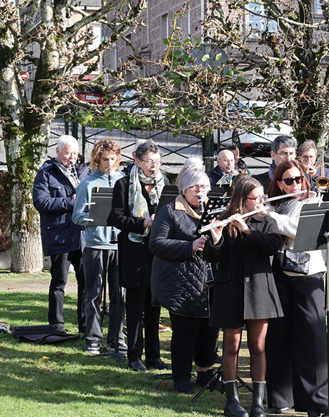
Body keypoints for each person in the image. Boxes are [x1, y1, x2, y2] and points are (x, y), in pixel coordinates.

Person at [264, 160, 329, 417]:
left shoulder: (311, 202)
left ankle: (317, 402)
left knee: (313, 339)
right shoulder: (272, 204)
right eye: (289, 180)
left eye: (299, 179)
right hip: (279, 273)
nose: (295, 184)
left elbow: (299, 230)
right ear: (278, 183)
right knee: (278, 337)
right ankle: (279, 398)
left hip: (308, 275)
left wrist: (271, 217)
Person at [204, 176, 284, 417]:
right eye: (256, 198)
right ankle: (232, 402)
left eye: (263, 197)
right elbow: (211, 257)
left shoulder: (266, 221)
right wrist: (216, 239)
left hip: (259, 290)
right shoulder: (225, 221)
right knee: (232, 347)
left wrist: (247, 230)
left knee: (258, 347)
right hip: (230, 291)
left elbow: (272, 246)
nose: (261, 201)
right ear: (242, 200)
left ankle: (258, 403)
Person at [149, 168, 219, 394]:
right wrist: (188, 247)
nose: (201, 191)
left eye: (204, 186)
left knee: (210, 331)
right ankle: (181, 377)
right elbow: (156, 243)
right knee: (185, 332)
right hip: (180, 282)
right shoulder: (169, 211)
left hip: (209, 283)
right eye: (195, 187)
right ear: (184, 189)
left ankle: (205, 373)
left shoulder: (214, 210)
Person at [108, 140, 169, 372]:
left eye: (157, 161)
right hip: (134, 252)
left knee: (154, 307)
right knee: (135, 308)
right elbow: (115, 218)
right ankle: (135, 355)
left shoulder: (165, 184)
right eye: (149, 162)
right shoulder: (124, 184)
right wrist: (143, 222)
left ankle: (154, 356)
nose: (154, 166)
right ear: (137, 161)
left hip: (157, 252)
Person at [72, 138, 126, 355]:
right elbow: (76, 216)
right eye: (105, 159)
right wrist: (93, 217)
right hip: (95, 244)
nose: (109, 164)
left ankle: (116, 338)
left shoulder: (123, 180)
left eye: (113, 159)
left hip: (119, 245)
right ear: (97, 159)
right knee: (93, 293)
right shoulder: (87, 183)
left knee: (118, 294)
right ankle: (93, 339)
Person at [33, 135, 89, 334]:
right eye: (67, 152)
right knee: (58, 282)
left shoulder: (84, 172)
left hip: (82, 236)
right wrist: (71, 201)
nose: (72, 157)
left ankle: (85, 325)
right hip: (59, 235)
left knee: (85, 281)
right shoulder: (46, 173)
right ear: (57, 152)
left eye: (75, 153)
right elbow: (41, 203)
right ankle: (56, 325)